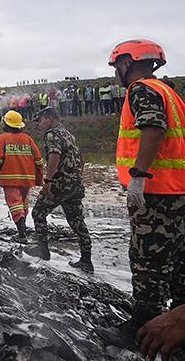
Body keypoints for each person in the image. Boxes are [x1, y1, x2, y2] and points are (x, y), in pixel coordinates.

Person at [96, 39, 185, 349]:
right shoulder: (169, 92)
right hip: (176, 190)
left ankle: (141, 329)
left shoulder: (141, 90)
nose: (116, 73)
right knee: (177, 260)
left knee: (149, 261)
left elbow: (153, 128)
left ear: (126, 64)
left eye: (117, 66)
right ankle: (176, 324)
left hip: (155, 192)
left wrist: (138, 176)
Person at [24, 107, 93, 272]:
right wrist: (76, 177)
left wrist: (48, 180)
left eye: (40, 120)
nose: (39, 124)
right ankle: (86, 259)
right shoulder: (68, 134)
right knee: (76, 220)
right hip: (75, 184)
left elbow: (54, 155)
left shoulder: (52, 134)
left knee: (38, 213)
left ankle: (43, 251)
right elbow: (81, 159)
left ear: (49, 118)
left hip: (59, 183)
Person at [0, 110, 43, 243]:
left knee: (15, 205)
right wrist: (38, 178)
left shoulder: (3, 138)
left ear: (7, 124)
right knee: (23, 204)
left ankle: (21, 234)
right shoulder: (28, 139)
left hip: (10, 179)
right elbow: (39, 160)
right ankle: (23, 229)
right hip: (27, 178)